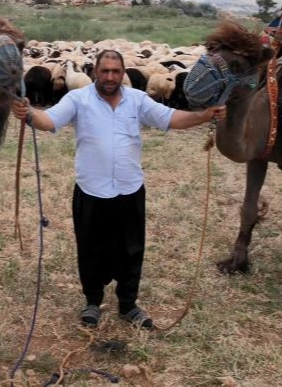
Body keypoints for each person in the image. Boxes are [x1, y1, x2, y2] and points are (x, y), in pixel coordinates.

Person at [12, 49, 226, 328]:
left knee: (131, 250)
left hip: (129, 189)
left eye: (115, 71)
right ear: (95, 72)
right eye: (105, 71)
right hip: (91, 190)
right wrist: (29, 113)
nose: (110, 77)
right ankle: (92, 301)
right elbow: (49, 120)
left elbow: (171, 118)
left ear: (123, 73)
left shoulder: (138, 100)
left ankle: (128, 305)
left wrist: (204, 116)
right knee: (90, 249)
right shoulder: (78, 99)